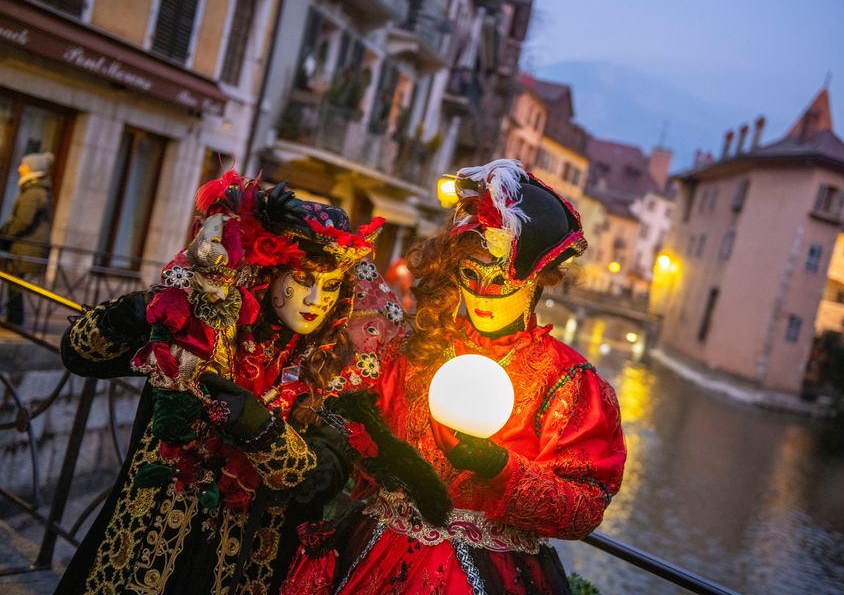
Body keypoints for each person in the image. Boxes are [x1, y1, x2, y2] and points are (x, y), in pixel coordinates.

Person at [283, 159, 627, 594]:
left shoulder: (569, 383)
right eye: (470, 273)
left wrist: (501, 469)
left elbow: (585, 509)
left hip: (491, 573)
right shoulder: (416, 348)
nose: (481, 293)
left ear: (539, 280)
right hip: (376, 554)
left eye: (499, 278)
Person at [54, 171, 397, 594]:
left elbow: (322, 477)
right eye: (303, 281)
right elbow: (80, 354)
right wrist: (143, 310)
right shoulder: (204, 327)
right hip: (142, 541)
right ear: (271, 275)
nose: (314, 302)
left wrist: (260, 428)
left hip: (243, 566)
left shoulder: (337, 373)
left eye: (329, 288)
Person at [0, 151, 54, 325]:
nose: (19, 168)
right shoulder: (37, 189)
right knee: (16, 283)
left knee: (15, 283)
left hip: (25, 247)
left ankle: (14, 320)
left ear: (32, 169)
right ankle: (14, 319)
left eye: (23, 165)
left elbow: (23, 221)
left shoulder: (33, 192)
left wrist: (5, 235)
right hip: (28, 246)